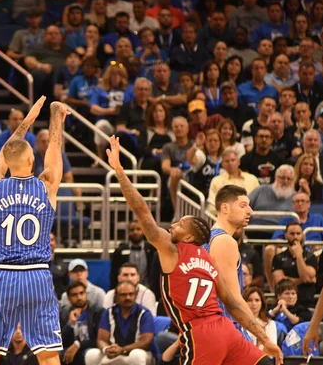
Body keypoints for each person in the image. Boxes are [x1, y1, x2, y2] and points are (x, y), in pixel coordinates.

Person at [105, 135, 283, 364]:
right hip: (226, 329)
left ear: (189, 236)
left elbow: (142, 210)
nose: (172, 225)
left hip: (200, 333)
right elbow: (233, 303)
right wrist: (264, 338)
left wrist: (120, 172)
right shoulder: (208, 260)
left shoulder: (171, 250)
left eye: (179, 224)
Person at [0, 97, 64, 364]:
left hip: (2, 275)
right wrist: (56, 115)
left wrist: (27, 121)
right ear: (31, 158)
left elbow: (6, 153)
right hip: (36, 274)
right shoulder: (46, 184)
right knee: (48, 354)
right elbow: (55, 150)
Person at [202, 185, 255, 340]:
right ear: (225, 208)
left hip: (211, 325)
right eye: (243, 205)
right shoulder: (225, 241)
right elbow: (233, 299)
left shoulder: (208, 238)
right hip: (226, 326)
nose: (250, 210)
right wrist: (259, 331)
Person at [84, 281, 155, 365]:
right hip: (114, 352)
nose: (128, 297)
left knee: (137, 355)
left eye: (131, 294)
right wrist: (106, 349)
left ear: (136, 296)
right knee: (91, 354)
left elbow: (146, 341)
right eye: (123, 295)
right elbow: (101, 339)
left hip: (137, 353)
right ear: (116, 297)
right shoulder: (108, 312)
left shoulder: (144, 313)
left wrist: (123, 349)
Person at [271, 222, 317, 308]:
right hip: (284, 304)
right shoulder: (278, 258)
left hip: (306, 302)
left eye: (298, 234)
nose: (295, 237)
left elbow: (306, 278)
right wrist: (301, 280)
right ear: (286, 235)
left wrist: (299, 256)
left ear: (302, 235)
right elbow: (280, 281)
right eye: (292, 234)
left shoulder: (311, 257)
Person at [59, 281, 104, 365]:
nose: (79, 297)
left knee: (88, 354)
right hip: (69, 349)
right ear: (69, 298)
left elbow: (100, 339)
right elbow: (61, 341)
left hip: (90, 348)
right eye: (74, 295)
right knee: (57, 354)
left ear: (86, 294)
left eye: (81, 293)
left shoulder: (98, 312)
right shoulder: (64, 313)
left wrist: (78, 344)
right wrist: (70, 323)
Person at [206, 148, 260, 214]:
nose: (230, 163)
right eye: (227, 161)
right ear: (222, 164)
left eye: (233, 160)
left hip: (251, 218)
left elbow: (259, 203)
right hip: (225, 219)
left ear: (239, 162)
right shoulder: (216, 181)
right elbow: (211, 207)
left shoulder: (252, 179)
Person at [109, 221, 156, 289]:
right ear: (128, 232)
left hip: (148, 289)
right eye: (132, 230)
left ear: (143, 231)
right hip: (125, 289)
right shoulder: (119, 251)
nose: (135, 232)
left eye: (138, 229)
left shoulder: (152, 250)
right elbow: (114, 273)